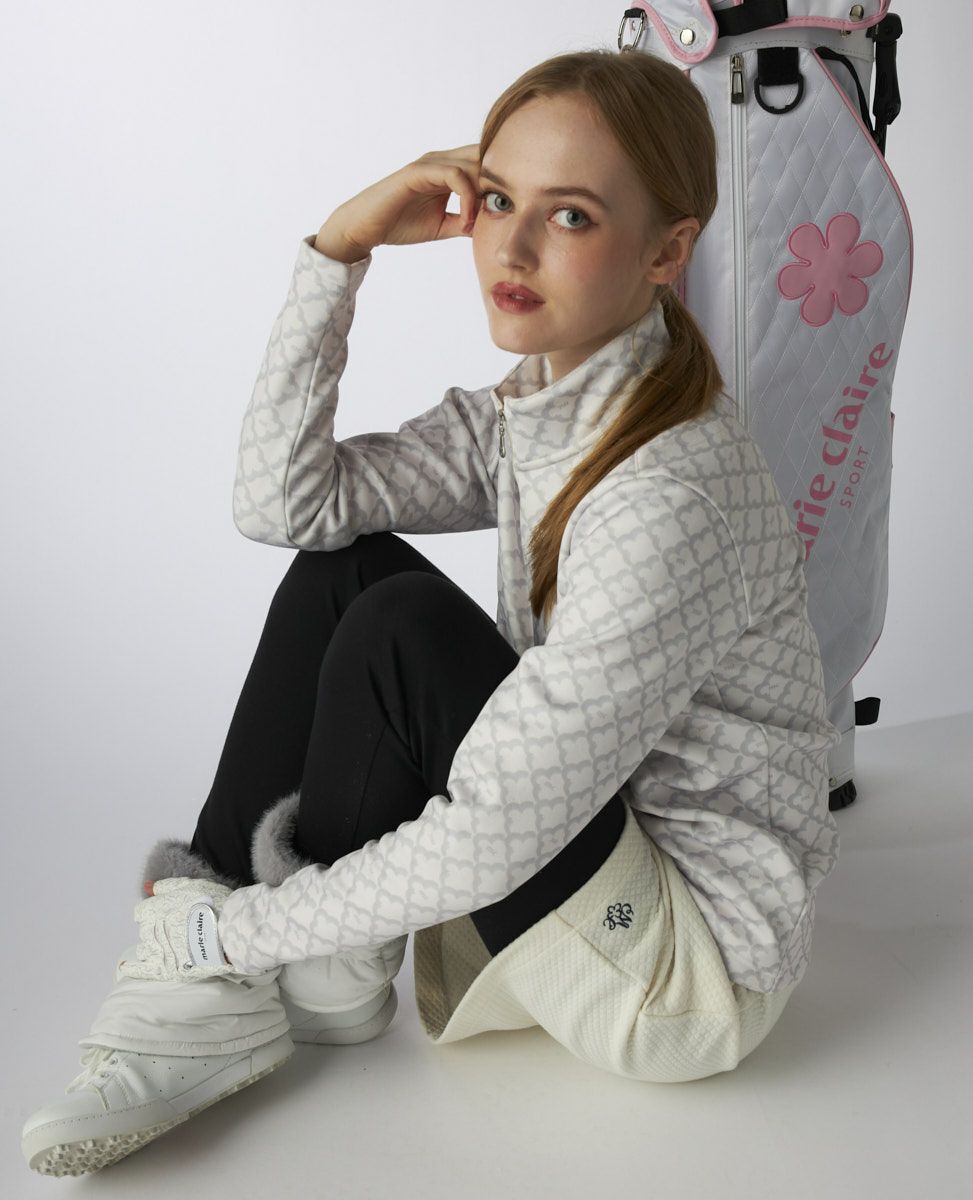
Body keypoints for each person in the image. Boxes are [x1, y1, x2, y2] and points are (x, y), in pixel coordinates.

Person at [22, 46, 842, 1177]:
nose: (510, 248)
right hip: (594, 837)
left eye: (569, 216)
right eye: (499, 200)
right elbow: (289, 505)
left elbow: (495, 830)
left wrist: (231, 932)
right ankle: (267, 985)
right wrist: (338, 252)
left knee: (402, 628)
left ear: (666, 250)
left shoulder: (667, 498)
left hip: (681, 972)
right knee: (348, 572)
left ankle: (212, 969)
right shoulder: (543, 407)